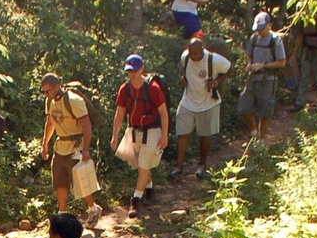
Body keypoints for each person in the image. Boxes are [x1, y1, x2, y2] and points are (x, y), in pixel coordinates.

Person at [110, 55, 169, 214]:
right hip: (133, 131)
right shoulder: (125, 89)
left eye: (134, 70)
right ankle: (149, 188)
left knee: (143, 165)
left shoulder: (153, 88)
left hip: (152, 131)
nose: (132, 74)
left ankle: (135, 201)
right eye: (129, 71)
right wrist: (115, 135)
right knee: (139, 165)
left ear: (142, 68)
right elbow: (120, 112)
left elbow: (163, 112)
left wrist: (164, 135)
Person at [39, 72, 100, 218]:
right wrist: (45, 144)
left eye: (49, 91)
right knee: (59, 182)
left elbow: (86, 124)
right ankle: (62, 214)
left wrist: (85, 149)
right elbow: (50, 123)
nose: (46, 94)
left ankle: (93, 208)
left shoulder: (73, 100)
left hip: (76, 146)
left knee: (80, 181)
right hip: (60, 146)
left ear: (57, 86)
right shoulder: (49, 102)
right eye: (44, 92)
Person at [174, 37, 231, 179]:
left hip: (207, 101)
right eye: (191, 53)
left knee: (204, 134)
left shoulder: (214, 60)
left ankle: (202, 164)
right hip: (188, 100)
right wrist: (183, 79)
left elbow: (229, 68)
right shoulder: (185, 58)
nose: (193, 57)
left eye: (196, 54)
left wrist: (217, 81)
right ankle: (179, 166)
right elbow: (184, 72)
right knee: (182, 133)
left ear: (202, 50)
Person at [237, 11, 287, 140]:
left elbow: (282, 62)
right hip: (253, 78)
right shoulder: (254, 38)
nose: (259, 31)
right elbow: (249, 54)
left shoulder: (276, 40)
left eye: (262, 28)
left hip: (268, 79)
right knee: (244, 106)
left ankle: (261, 139)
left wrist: (263, 65)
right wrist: (249, 64)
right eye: (258, 29)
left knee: (265, 111)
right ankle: (253, 132)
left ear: (269, 25)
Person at [291, 11, 317, 111]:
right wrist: (294, 54)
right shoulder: (303, 21)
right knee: (303, 77)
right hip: (307, 52)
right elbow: (300, 38)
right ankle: (300, 103)